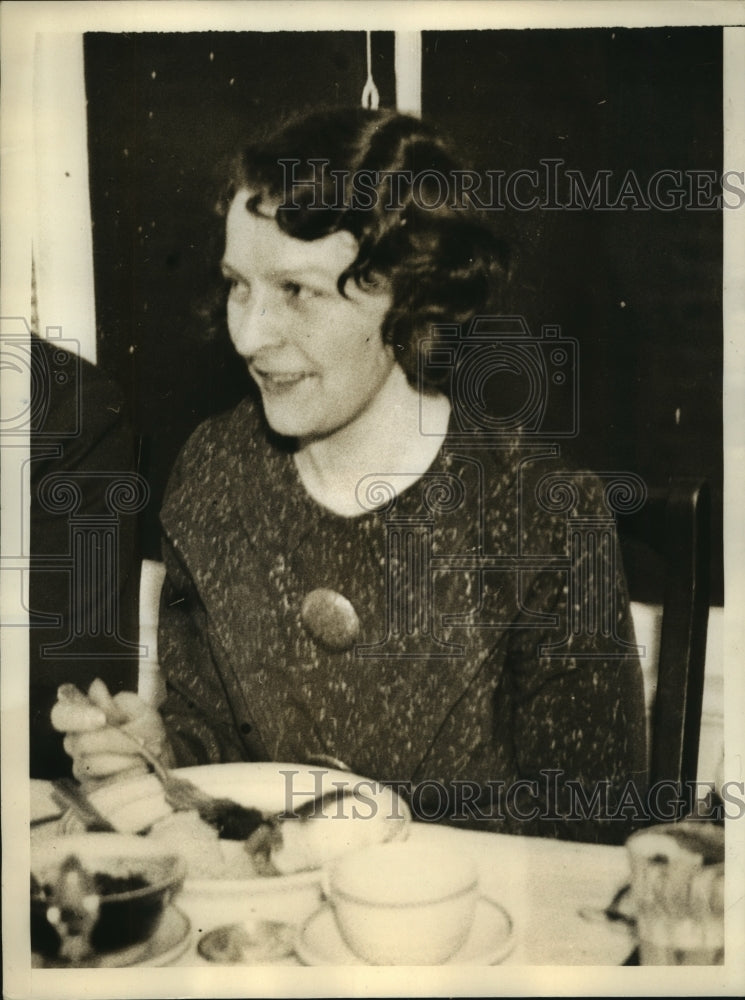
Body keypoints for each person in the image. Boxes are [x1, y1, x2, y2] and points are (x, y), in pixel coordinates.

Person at [52, 108, 647, 841]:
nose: (249, 333)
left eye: (296, 291)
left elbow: (589, 845)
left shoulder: (544, 516)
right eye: (238, 284)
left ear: (409, 296)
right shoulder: (212, 476)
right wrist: (156, 757)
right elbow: (221, 756)